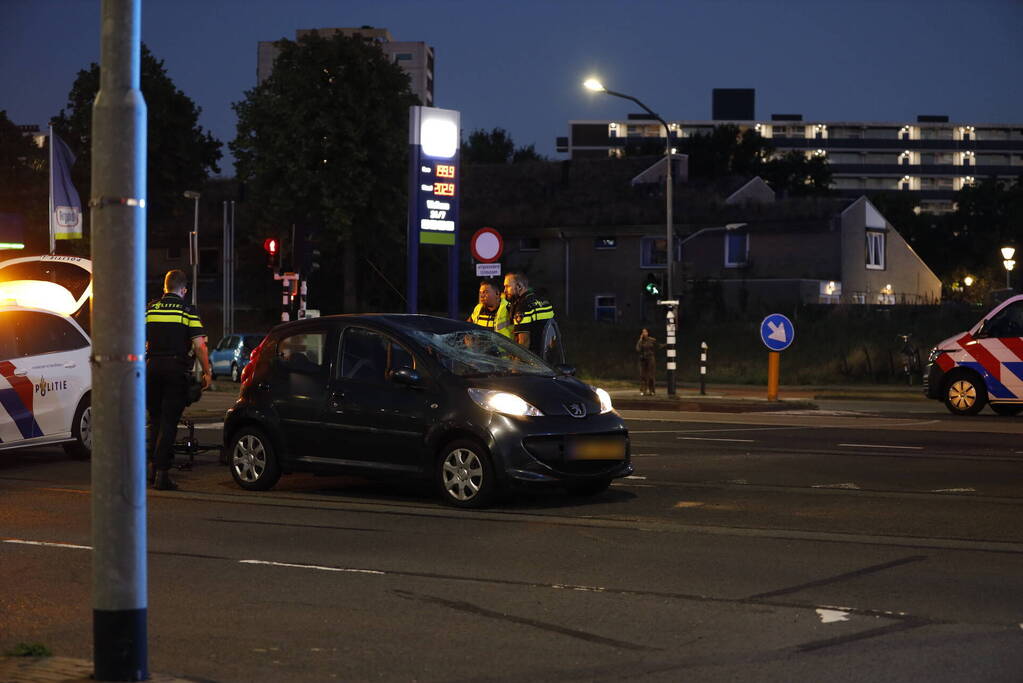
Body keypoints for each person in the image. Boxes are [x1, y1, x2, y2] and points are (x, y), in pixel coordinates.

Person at [145, 269, 211, 491]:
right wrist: (207, 371)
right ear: (183, 290)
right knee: (168, 422)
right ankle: (162, 474)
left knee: (154, 419)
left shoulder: (150, 308)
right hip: (175, 370)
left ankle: (152, 468)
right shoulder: (186, 310)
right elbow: (200, 345)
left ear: (165, 288)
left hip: (151, 368)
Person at [503, 271, 560, 362]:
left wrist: (515, 367)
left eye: (507, 286)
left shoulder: (523, 306)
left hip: (534, 361)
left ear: (519, 286)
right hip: (549, 358)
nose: (505, 290)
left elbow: (524, 342)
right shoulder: (543, 300)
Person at [635, 328, 661, 395]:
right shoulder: (640, 341)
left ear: (648, 333)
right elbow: (638, 349)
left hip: (650, 359)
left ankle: (652, 390)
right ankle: (643, 390)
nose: (644, 333)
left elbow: (658, 346)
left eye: (645, 332)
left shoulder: (652, 340)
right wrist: (640, 340)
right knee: (643, 375)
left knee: (651, 375)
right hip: (643, 360)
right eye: (643, 332)